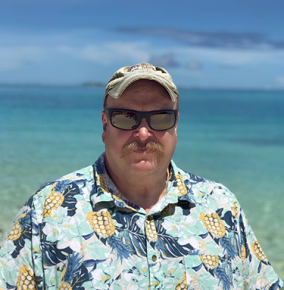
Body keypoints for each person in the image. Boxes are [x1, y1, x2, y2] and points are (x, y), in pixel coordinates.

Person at [0, 63, 282, 290]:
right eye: (125, 116)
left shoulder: (220, 206)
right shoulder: (47, 209)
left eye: (160, 117)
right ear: (104, 125)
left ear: (176, 126)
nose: (144, 133)